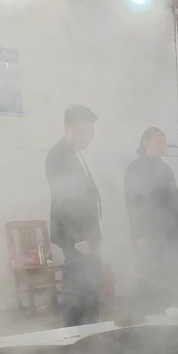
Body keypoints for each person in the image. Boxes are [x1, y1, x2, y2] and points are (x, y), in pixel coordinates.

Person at [46, 104, 103, 327]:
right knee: (78, 288)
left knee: (90, 286)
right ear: (66, 128)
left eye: (91, 132)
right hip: (76, 236)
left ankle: (91, 330)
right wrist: (79, 237)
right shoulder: (59, 155)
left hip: (86, 233)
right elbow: (65, 200)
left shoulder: (75, 152)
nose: (87, 138)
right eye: (82, 132)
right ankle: (73, 334)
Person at [124, 127, 178, 278]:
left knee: (172, 273)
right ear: (145, 142)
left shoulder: (165, 168)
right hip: (148, 233)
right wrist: (139, 235)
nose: (161, 147)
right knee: (151, 274)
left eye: (164, 143)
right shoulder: (135, 168)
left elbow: (175, 200)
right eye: (157, 142)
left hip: (170, 231)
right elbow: (133, 204)